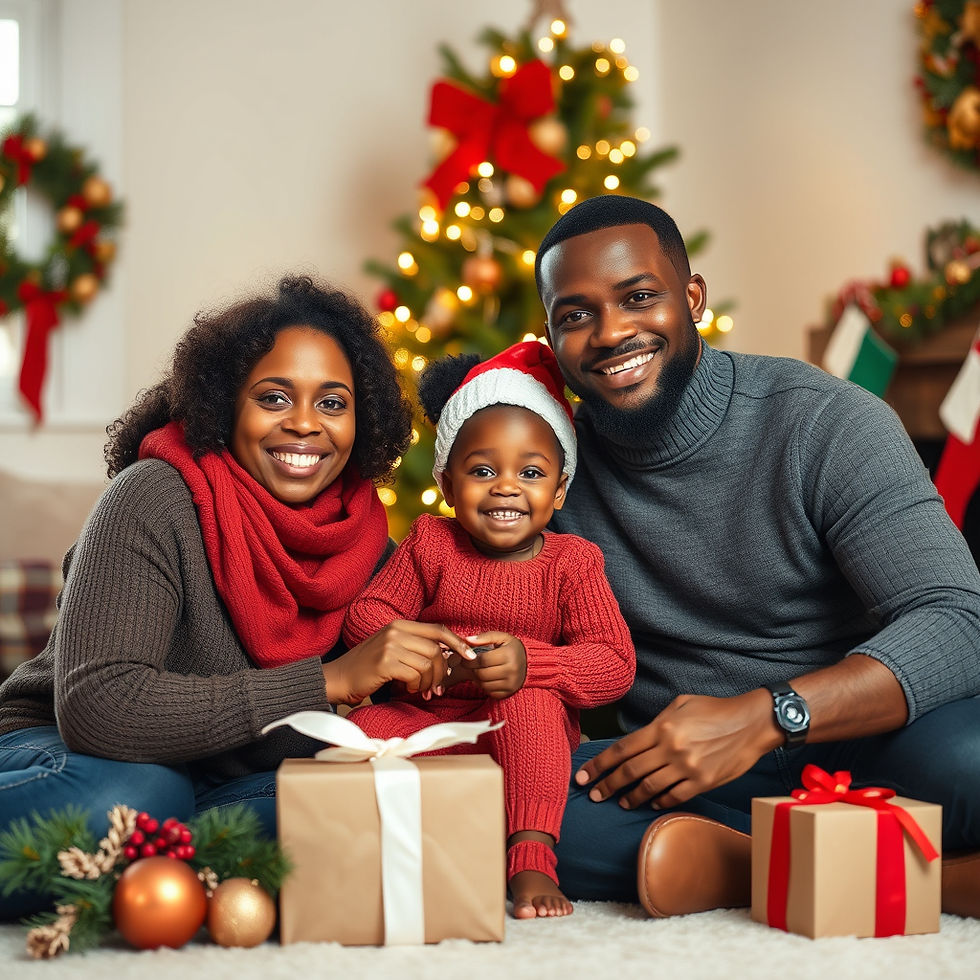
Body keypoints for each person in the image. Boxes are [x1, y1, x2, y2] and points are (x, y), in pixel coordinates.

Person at [532, 194, 980, 919]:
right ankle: (796, 867)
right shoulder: (546, 470)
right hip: (693, 774)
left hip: (868, 744)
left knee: (970, 762)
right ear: (552, 338)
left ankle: (742, 863)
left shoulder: (824, 421)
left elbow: (959, 620)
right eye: (576, 315)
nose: (610, 332)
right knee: (521, 802)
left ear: (692, 298)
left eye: (638, 297)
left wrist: (767, 717)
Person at [0, 275, 474, 920]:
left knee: (402, 811)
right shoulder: (152, 497)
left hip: (228, 783)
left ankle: (167, 860)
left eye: (332, 403)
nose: (304, 423)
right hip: (75, 755)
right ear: (224, 405)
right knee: (137, 798)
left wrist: (465, 668)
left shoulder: (370, 545)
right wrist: (329, 680)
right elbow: (100, 707)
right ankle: (166, 850)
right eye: (274, 397)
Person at [342, 341, 635, 919]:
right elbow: (367, 615)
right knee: (362, 730)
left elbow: (613, 663)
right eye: (482, 471)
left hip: (522, 735)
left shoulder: (572, 563)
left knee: (531, 703)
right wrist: (416, 650)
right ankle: (381, 848)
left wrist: (534, 664)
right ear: (449, 486)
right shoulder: (432, 544)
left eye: (531, 472)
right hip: (430, 724)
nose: (506, 486)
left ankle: (531, 857)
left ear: (559, 490)